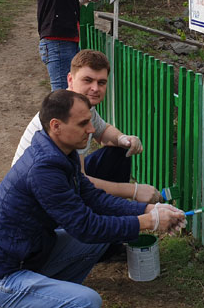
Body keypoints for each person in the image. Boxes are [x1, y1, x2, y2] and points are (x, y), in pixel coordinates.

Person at [0, 90, 186, 308]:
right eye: (83, 123)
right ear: (56, 126)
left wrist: (146, 211)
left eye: (90, 121)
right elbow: (86, 226)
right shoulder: (44, 169)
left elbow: (93, 198)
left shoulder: (61, 152)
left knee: (98, 242)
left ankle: (42, 302)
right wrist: (149, 223)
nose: (92, 129)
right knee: (86, 305)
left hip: (26, 257)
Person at [12, 49, 162, 203]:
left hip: (58, 177)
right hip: (35, 195)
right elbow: (80, 181)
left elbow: (103, 131)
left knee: (119, 151)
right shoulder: (67, 116)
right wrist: (133, 190)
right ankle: (107, 210)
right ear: (70, 79)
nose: (95, 88)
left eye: (101, 82)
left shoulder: (79, 104)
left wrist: (122, 138)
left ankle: (111, 206)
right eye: (87, 80)